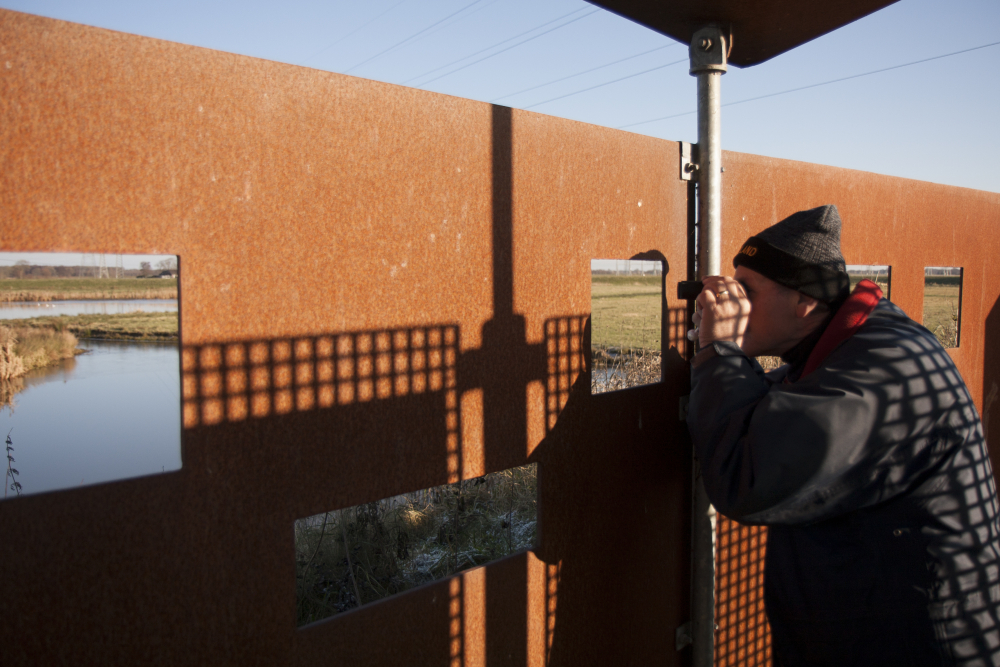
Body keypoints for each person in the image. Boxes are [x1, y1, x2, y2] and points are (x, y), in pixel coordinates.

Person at [687, 204, 1000, 666]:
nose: (733, 303)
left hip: (915, 645)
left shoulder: (880, 373)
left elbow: (747, 477)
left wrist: (720, 352)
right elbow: (774, 411)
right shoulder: (854, 348)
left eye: (747, 291)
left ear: (804, 302)